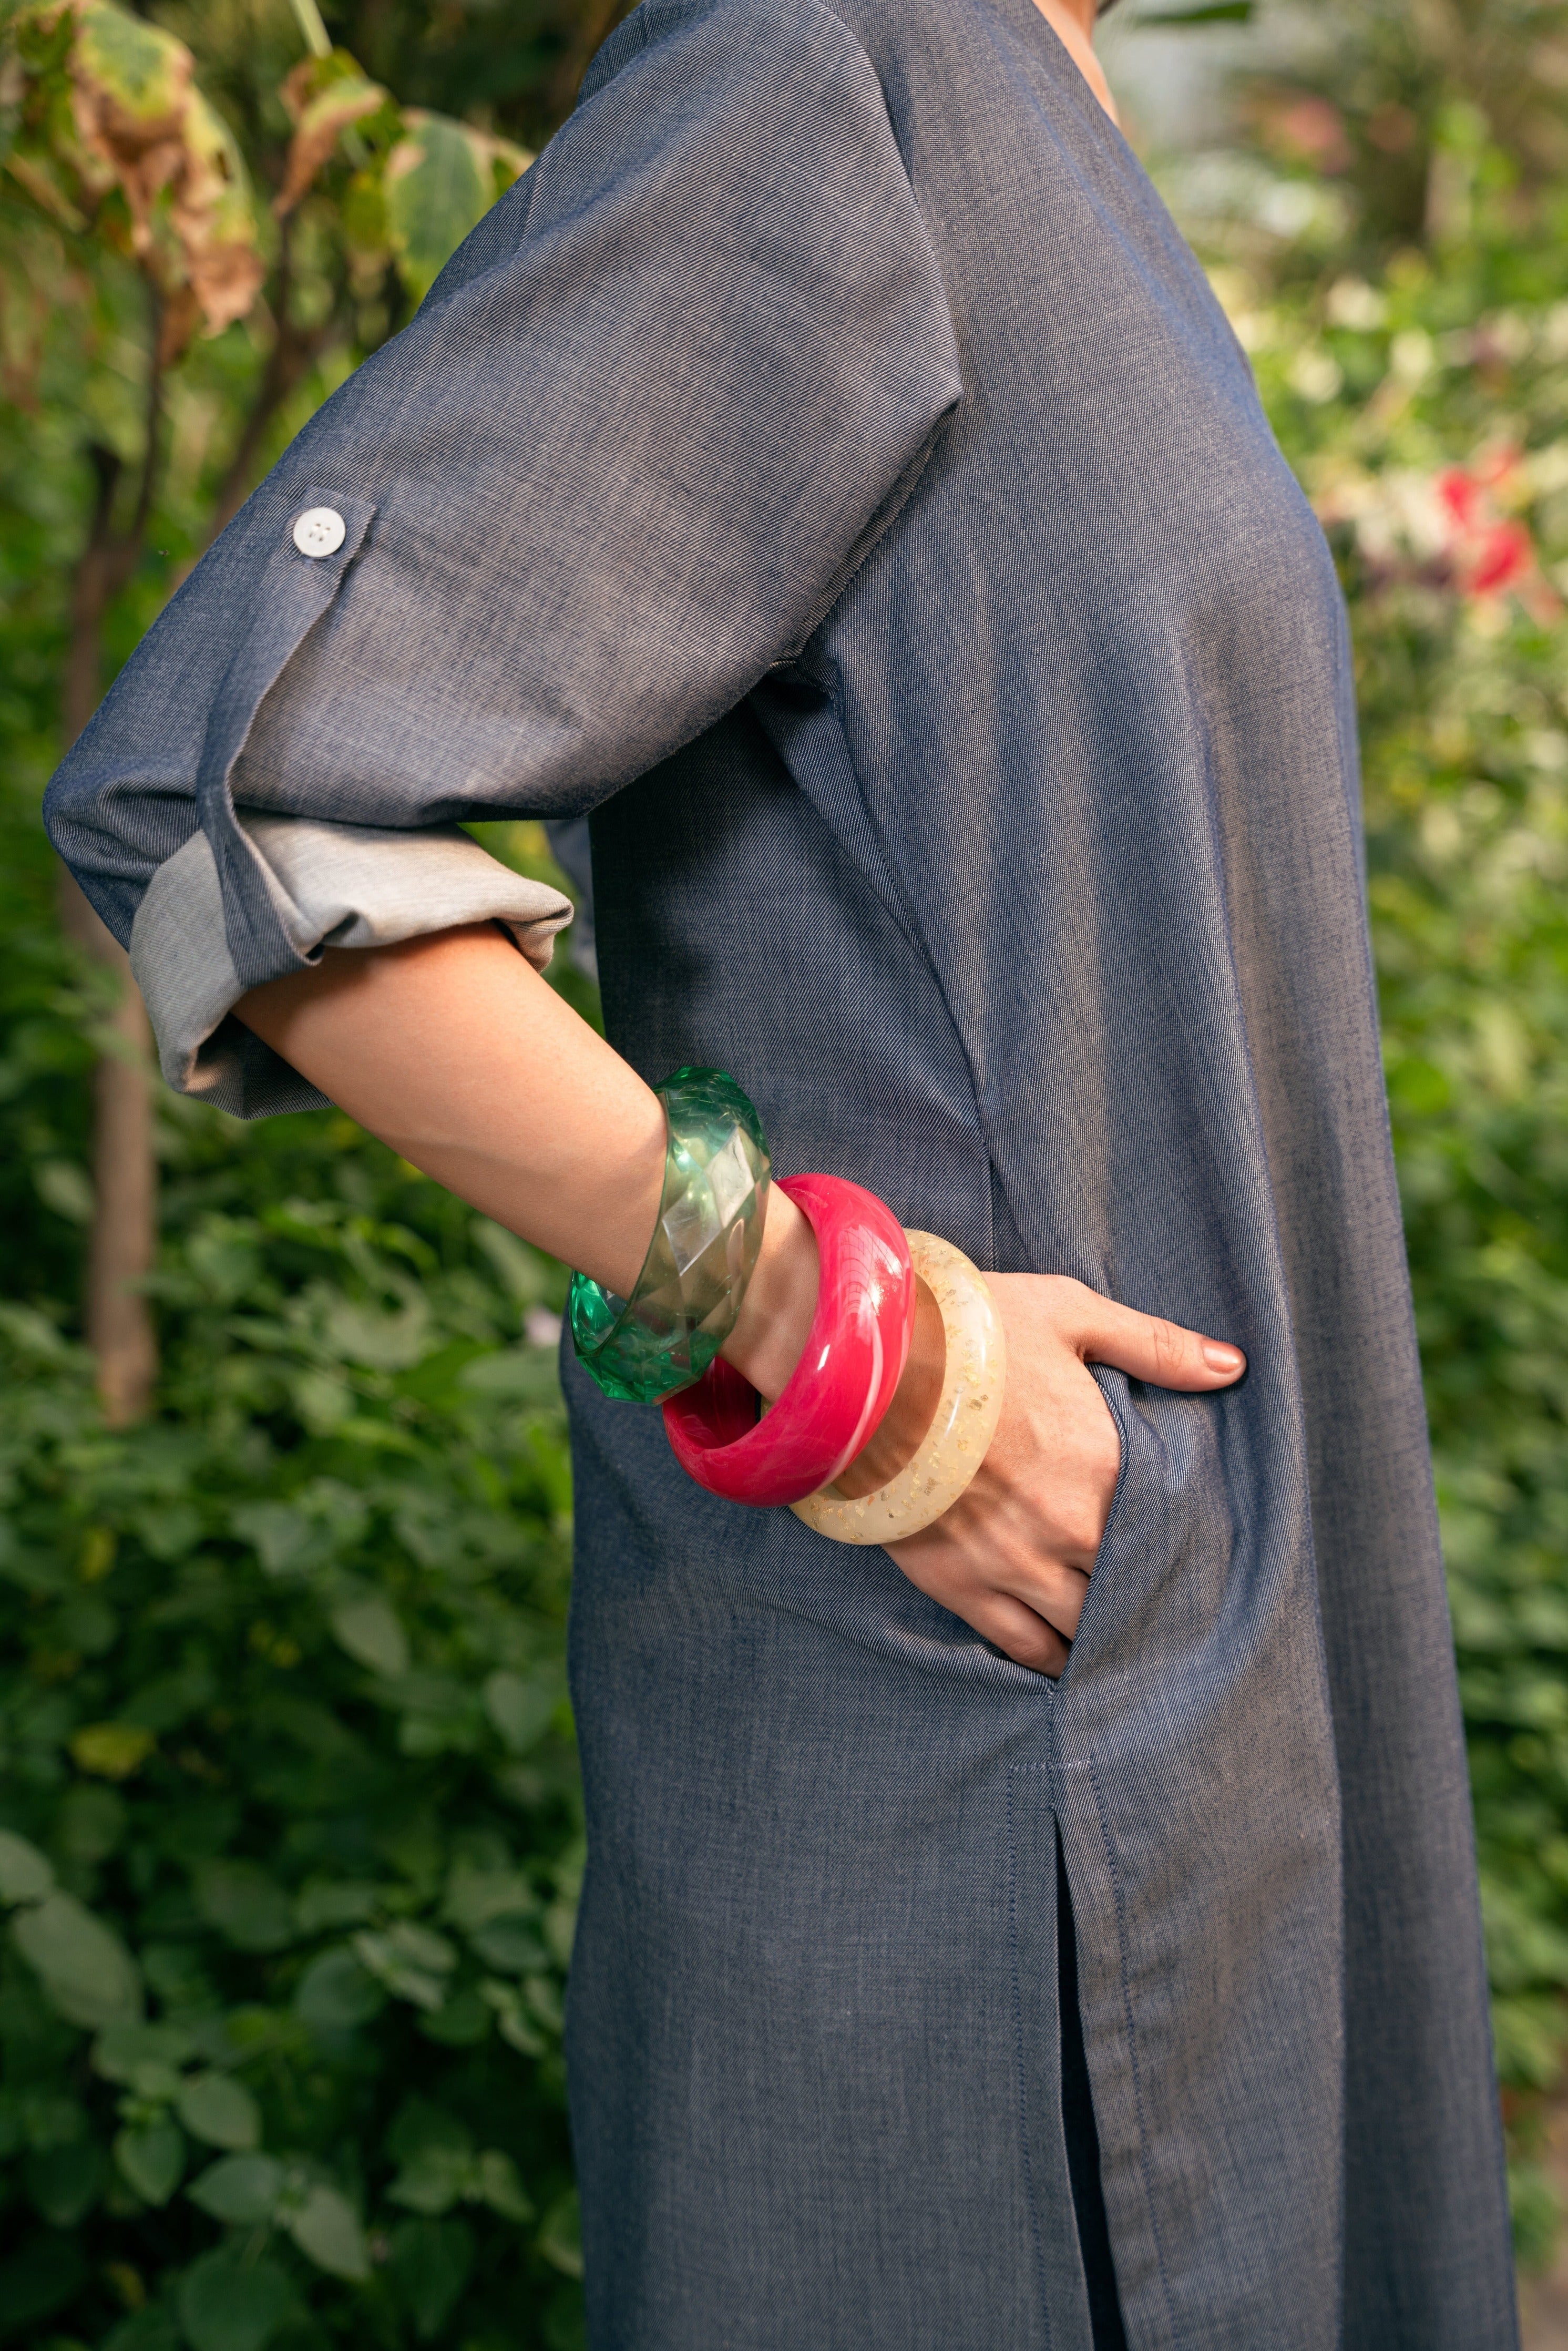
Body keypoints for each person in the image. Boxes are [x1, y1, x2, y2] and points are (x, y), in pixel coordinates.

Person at [44, 0, 1519, 2342]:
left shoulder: (1037, 101)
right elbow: (231, 812)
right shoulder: (825, 62)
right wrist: (841, 1341)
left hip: (1204, 1727)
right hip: (960, 1800)